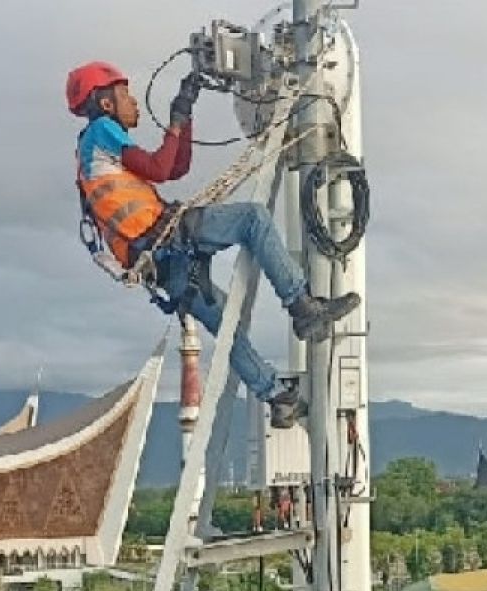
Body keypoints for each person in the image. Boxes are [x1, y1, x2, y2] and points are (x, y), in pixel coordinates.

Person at [66, 61, 359, 428]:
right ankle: (301, 306)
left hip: (160, 262)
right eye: (125, 95)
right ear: (106, 104)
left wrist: (183, 115)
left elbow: (174, 168)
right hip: (165, 238)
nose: (134, 103)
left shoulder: (93, 149)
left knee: (226, 324)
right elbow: (159, 169)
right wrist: (175, 118)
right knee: (252, 219)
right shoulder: (101, 131)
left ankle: (277, 397)